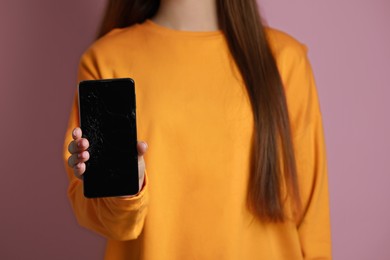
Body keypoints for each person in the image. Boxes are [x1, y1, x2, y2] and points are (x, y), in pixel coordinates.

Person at [63, 0, 332, 259]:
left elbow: (313, 224)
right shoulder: (107, 58)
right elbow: (115, 225)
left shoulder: (285, 60)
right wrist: (125, 190)